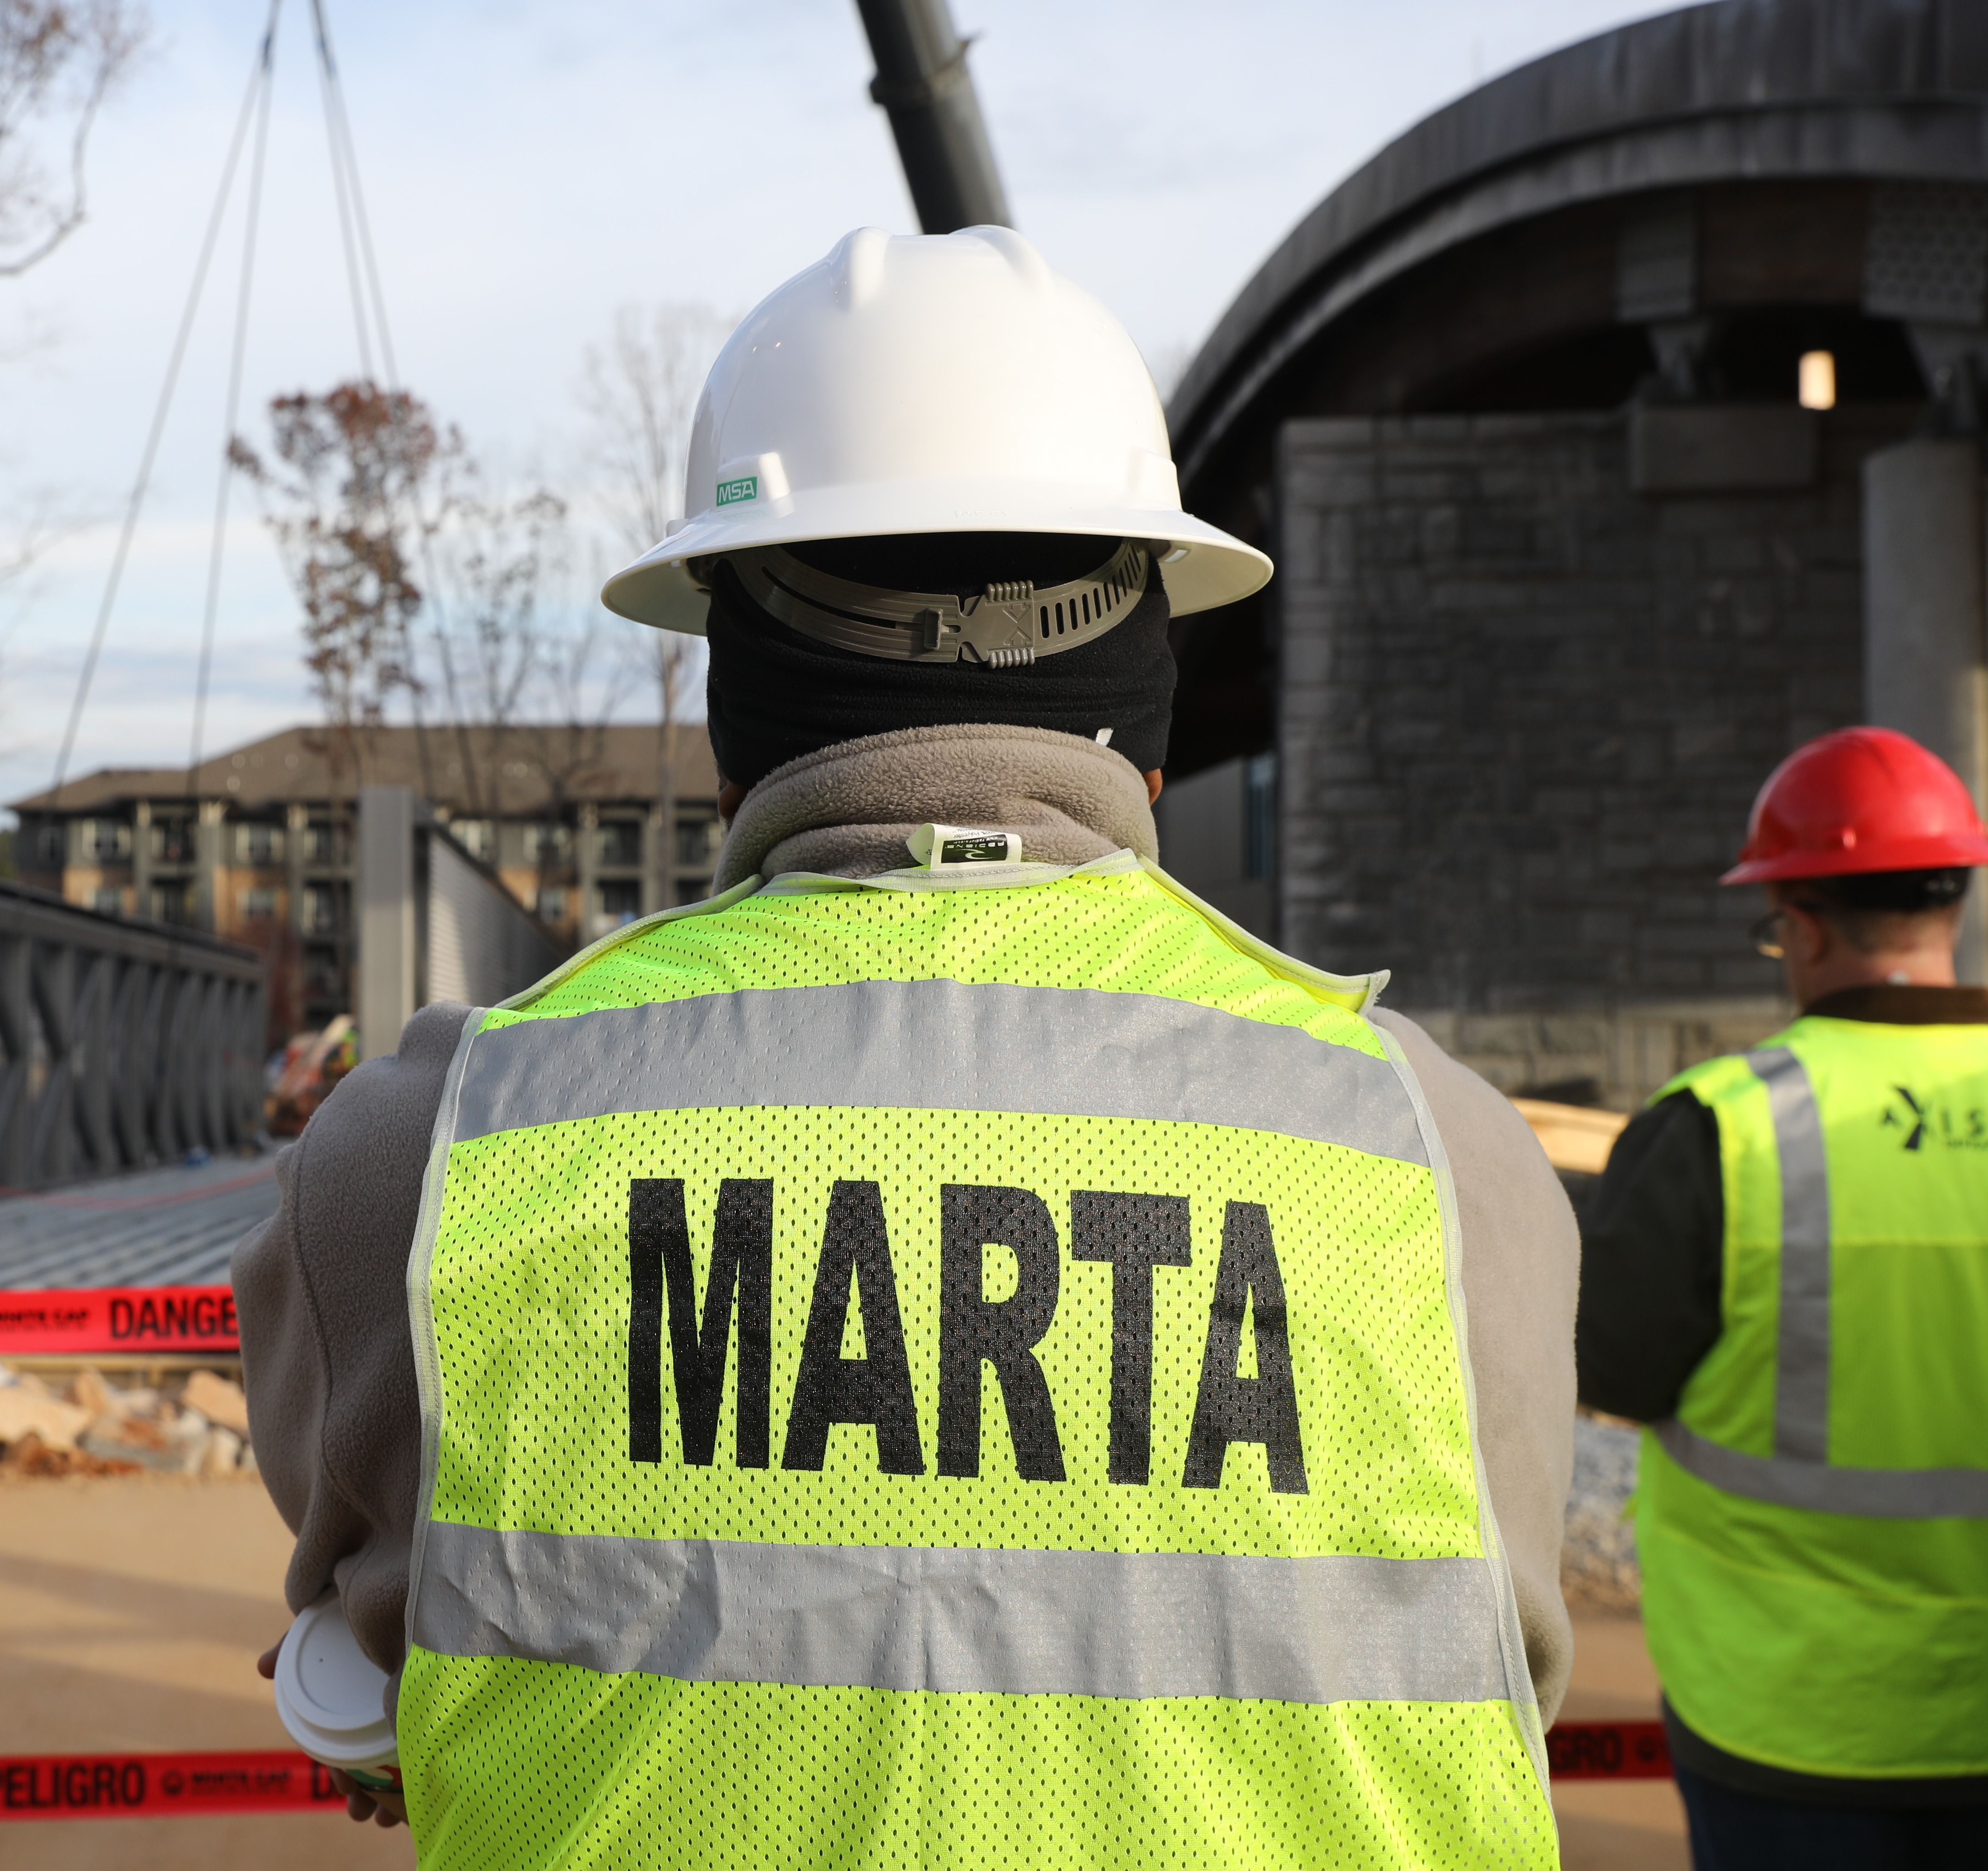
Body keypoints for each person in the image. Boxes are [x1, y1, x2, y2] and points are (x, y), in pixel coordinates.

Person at [236, 225, 1579, 1866]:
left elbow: (366, 1670)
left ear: (736, 707)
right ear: (1147, 724)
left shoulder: (433, 1148)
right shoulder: (1442, 1153)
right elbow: (1495, 1671)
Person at [1577, 726, 1988, 1868]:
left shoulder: (1722, 1127)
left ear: (1799, 925)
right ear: (1951, 902)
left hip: (1792, 1717)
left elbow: (1611, 1366)